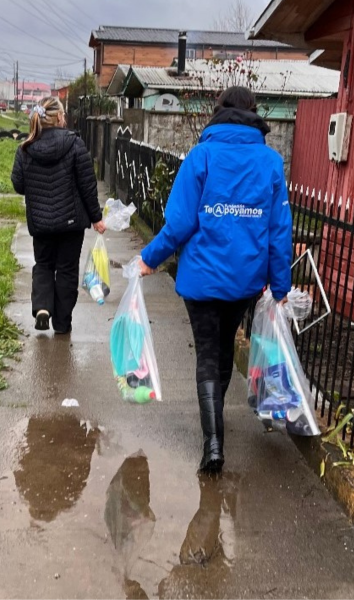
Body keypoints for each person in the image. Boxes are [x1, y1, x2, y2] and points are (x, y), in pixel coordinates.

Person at [139, 86, 292, 473]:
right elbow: (278, 230)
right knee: (224, 351)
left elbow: (180, 222)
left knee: (207, 354)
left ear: (218, 112)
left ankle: (213, 441)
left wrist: (149, 258)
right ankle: (215, 422)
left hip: (202, 279)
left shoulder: (201, 156)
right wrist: (280, 286)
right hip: (245, 281)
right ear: (255, 114)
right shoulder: (271, 163)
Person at [11, 96, 105, 334]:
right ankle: (62, 324)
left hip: (41, 224)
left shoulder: (26, 148)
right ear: (60, 117)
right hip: (71, 223)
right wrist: (96, 217)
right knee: (66, 270)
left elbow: (19, 185)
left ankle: (42, 307)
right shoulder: (75, 144)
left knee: (43, 265)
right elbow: (87, 185)